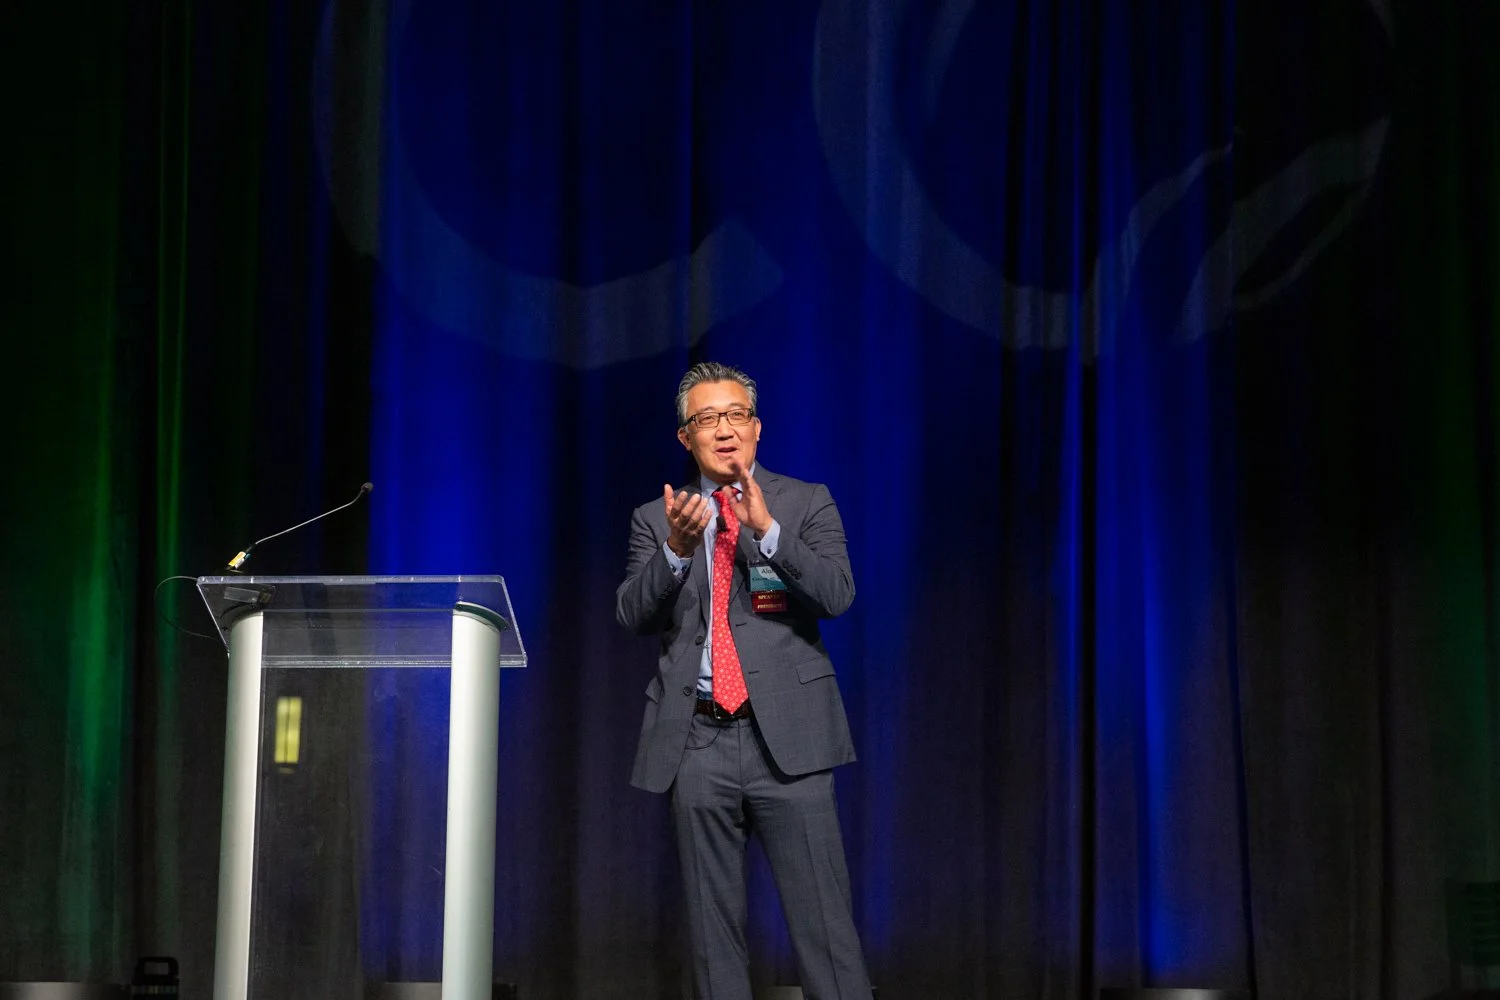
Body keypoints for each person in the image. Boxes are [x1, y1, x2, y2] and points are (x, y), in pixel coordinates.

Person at [616, 361, 873, 999]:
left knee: (825, 931)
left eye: (736, 416)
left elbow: (837, 595)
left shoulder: (805, 502)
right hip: (698, 741)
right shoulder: (659, 517)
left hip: (789, 741)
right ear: (686, 438)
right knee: (713, 939)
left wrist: (768, 532)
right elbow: (630, 613)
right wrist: (676, 550)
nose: (724, 430)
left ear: (756, 429)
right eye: (707, 419)